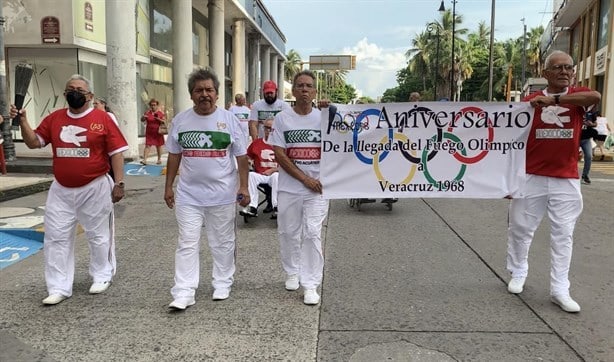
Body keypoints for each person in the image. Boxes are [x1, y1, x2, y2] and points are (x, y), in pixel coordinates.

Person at [9, 74, 128, 305]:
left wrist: (119, 183)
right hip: (61, 189)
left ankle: (102, 275)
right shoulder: (55, 119)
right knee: (56, 237)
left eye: (80, 90)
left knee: (98, 235)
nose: (75, 93)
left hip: (95, 186)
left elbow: (117, 153)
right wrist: (23, 121)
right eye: (70, 89)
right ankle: (58, 286)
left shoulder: (102, 119)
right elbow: (35, 142)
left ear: (90, 96)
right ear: (65, 94)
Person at [506, 50, 601, 313]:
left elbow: (595, 97)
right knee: (520, 228)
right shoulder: (529, 101)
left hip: (566, 178)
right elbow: (507, 138)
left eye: (568, 67)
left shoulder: (578, 96)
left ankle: (560, 289)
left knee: (564, 234)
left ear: (573, 72)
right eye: (557, 68)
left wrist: (555, 100)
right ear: (545, 73)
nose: (563, 71)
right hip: (530, 176)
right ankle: (518, 271)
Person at [164, 68, 250, 310]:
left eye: (209, 90)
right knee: (187, 242)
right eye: (199, 90)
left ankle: (222, 282)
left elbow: (242, 157)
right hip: (188, 195)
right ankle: (184, 291)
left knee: (222, 242)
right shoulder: (180, 121)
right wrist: (168, 186)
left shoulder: (230, 120)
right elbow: (174, 156)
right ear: (191, 95)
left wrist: (244, 186)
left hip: (223, 195)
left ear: (217, 94)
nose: (204, 95)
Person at [269, 70, 329, 305]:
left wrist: (332, 113)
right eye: (300, 85)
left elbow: (345, 140)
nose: (304, 89)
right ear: (293, 91)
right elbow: (280, 155)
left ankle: (311, 283)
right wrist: (305, 179)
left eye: (309, 86)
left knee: (312, 233)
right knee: (288, 231)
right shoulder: (283, 119)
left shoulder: (324, 118)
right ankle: (292, 271)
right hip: (290, 187)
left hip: (319, 189)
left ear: (315, 92)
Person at [239, 118, 279, 219]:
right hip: (260, 174)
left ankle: (276, 206)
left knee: (276, 176)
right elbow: (247, 156)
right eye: (267, 128)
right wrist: (249, 161)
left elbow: (289, 163)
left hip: (275, 174)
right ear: (263, 129)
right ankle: (253, 207)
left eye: (272, 129)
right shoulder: (256, 143)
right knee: (251, 175)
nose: (269, 131)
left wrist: (273, 170)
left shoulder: (280, 144)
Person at [140, 98, 166, 165]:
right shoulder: (147, 113)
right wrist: (143, 117)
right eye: (151, 105)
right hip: (149, 132)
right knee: (147, 145)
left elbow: (164, 121)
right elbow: (142, 120)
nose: (153, 106)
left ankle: (159, 159)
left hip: (158, 132)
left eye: (154, 105)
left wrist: (158, 119)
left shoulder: (160, 113)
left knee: (158, 146)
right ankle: (144, 160)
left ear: (157, 105)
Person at [579, 111, 597, 184]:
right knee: (570, 156)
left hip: (586, 139)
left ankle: (585, 175)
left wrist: (591, 124)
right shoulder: (576, 109)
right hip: (575, 138)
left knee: (589, 156)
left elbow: (595, 124)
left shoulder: (591, 113)